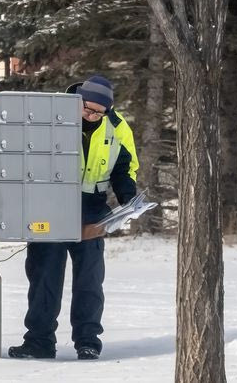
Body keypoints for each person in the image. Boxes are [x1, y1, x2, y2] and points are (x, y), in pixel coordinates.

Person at [8, 75, 139, 360]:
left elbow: (124, 169)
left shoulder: (117, 127)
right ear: (78, 100)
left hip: (92, 208)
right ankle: (39, 341)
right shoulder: (54, 115)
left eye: (98, 112)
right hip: (50, 206)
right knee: (45, 276)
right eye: (87, 109)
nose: (91, 116)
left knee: (89, 281)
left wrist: (129, 199)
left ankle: (88, 341)